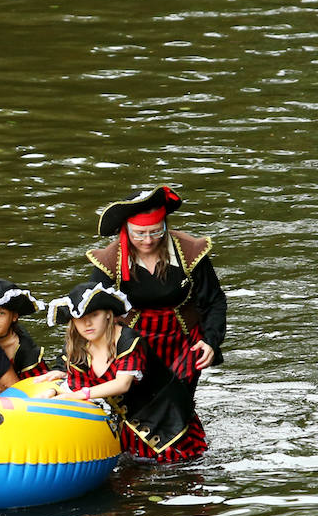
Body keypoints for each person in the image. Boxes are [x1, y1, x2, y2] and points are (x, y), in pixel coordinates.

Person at [43, 281, 207, 462]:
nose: (87, 323)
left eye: (94, 315)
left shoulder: (129, 340)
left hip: (166, 420)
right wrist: (54, 391)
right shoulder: (76, 348)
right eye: (80, 318)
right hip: (128, 425)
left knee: (178, 472)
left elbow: (122, 384)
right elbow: (74, 387)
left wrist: (79, 394)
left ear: (108, 315)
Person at [86, 185, 227, 392]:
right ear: (125, 230)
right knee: (136, 405)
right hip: (131, 341)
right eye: (139, 234)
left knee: (177, 402)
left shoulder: (190, 252)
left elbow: (214, 300)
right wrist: (68, 363)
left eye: (155, 232)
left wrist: (211, 342)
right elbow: (87, 309)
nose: (148, 240)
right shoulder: (109, 260)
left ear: (165, 226)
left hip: (184, 341)